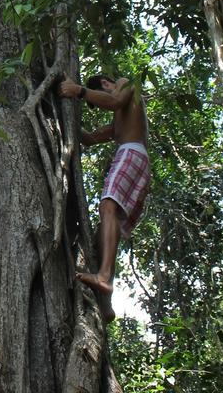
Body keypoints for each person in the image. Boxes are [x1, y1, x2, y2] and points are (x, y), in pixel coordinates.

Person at [59, 73, 150, 322]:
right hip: (136, 158)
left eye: (103, 89)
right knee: (106, 230)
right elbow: (89, 138)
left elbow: (115, 100)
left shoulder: (124, 84)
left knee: (107, 206)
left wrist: (79, 91)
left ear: (106, 83)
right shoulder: (121, 121)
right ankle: (106, 303)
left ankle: (103, 276)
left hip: (130, 154)